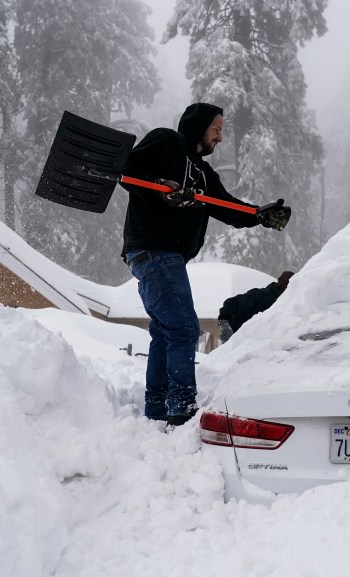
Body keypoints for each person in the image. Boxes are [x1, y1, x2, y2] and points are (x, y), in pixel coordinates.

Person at [120, 102, 291, 426]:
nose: (220, 138)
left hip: (164, 258)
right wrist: (162, 187)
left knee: (165, 332)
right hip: (155, 250)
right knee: (184, 329)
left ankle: (157, 406)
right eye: (216, 129)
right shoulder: (167, 142)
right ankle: (181, 406)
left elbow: (227, 207)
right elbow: (128, 170)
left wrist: (260, 215)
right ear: (199, 126)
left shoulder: (203, 174)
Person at [217, 271, 294, 344]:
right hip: (235, 341)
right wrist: (224, 323)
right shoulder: (260, 296)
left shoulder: (287, 305)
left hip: (257, 346)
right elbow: (231, 302)